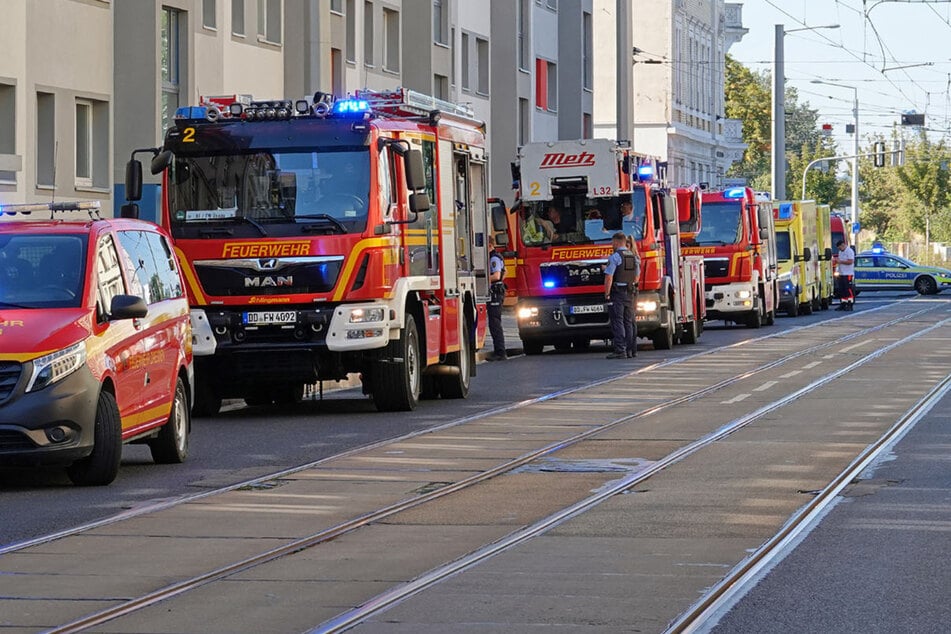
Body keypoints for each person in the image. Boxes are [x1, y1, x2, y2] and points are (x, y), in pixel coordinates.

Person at [604, 231, 640, 358]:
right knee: (628, 321)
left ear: (616, 242)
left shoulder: (615, 257)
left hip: (618, 293)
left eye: (612, 242)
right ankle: (630, 350)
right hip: (630, 293)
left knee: (617, 321)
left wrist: (607, 293)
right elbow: (636, 276)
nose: (611, 245)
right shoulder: (633, 256)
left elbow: (609, 277)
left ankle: (620, 349)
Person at [486, 235, 507, 361]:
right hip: (496, 292)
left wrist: (482, 279)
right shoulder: (497, 256)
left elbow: (497, 275)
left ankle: (500, 352)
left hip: (495, 292)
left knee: (494, 322)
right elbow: (506, 272)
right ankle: (499, 350)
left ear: (489, 245)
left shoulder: (493, 257)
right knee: (494, 322)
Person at [835, 239, 856, 311]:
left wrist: (840, 261)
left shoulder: (849, 251)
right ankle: (843, 303)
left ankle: (850, 303)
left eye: (840, 247)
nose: (839, 249)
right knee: (842, 290)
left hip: (848, 273)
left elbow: (850, 261)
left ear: (843, 245)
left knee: (848, 289)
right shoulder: (840, 252)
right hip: (841, 273)